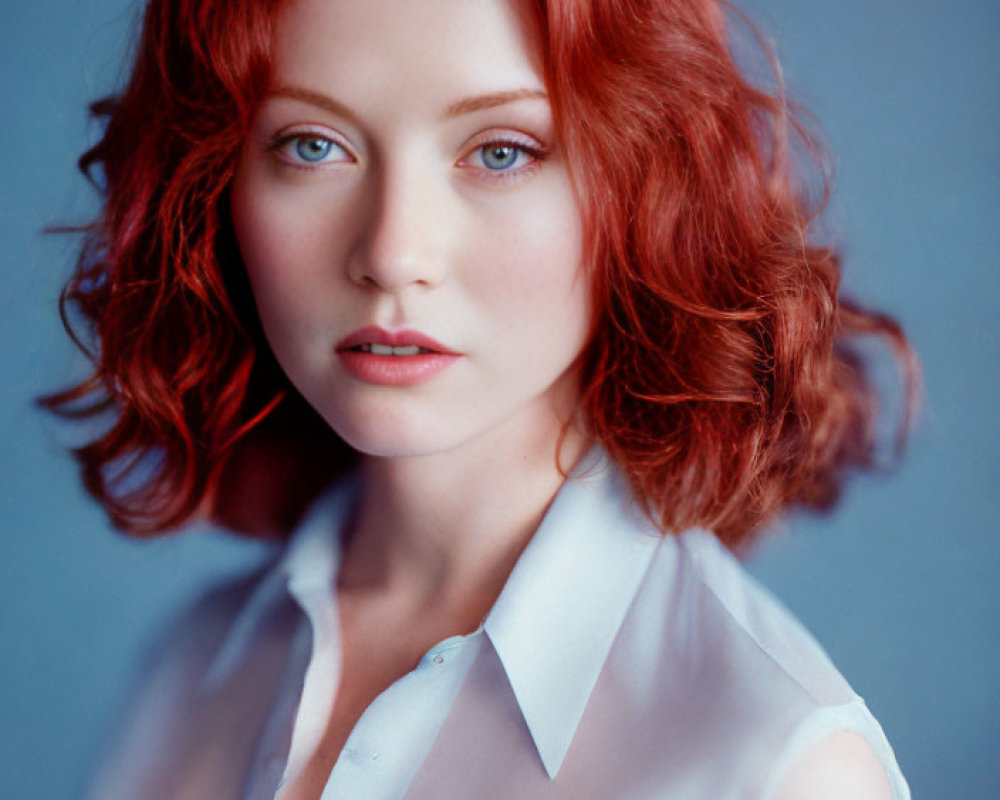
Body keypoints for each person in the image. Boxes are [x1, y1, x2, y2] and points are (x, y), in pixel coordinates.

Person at [42, 0, 917, 797]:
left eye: (502, 151)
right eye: (313, 144)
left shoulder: (775, 763)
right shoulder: (194, 665)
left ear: (648, 182)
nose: (392, 253)